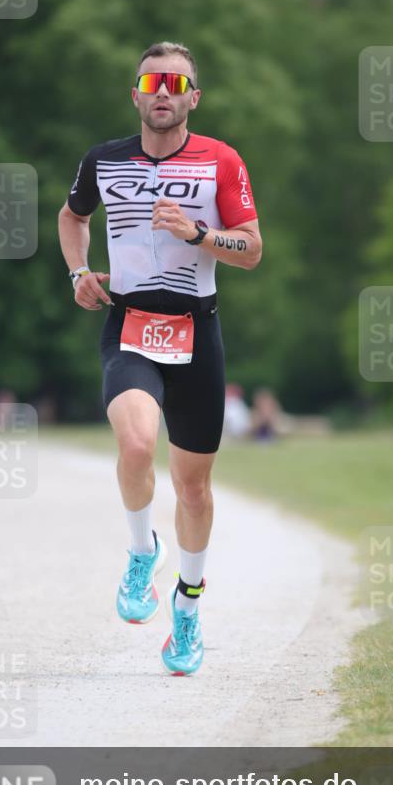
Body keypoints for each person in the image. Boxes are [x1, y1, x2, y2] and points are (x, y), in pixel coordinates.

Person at [58, 41, 262, 675]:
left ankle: (188, 604)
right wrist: (78, 273)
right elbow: (71, 217)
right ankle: (142, 551)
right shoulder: (103, 160)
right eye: (153, 82)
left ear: (193, 97)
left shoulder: (221, 160)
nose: (164, 92)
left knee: (193, 489)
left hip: (197, 334)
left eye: (176, 83)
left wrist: (198, 233)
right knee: (137, 445)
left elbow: (252, 249)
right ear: (136, 95)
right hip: (130, 325)